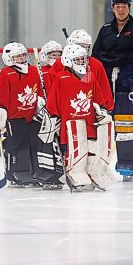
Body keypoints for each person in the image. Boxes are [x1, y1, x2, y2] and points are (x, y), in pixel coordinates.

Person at [91, 0, 133, 181]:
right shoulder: (105, 29)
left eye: (124, 6)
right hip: (106, 82)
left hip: (129, 81)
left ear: (129, 7)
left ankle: (130, 164)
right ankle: (98, 165)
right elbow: (95, 56)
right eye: (117, 6)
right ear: (112, 8)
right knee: (103, 123)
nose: (120, 9)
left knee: (127, 123)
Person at [0, 42, 61, 187]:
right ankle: (16, 174)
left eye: (22, 55)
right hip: (15, 119)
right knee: (16, 146)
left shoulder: (34, 71)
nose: (21, 58)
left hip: (32, 117)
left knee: (34, 145)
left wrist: (42, 104)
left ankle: (35, 173)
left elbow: (40, 91)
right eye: (17, 56)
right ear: (9, 58)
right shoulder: (6, 73)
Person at [45, 44, 114, 192]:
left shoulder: (90, 76)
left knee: (92, 148)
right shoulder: (61, 78)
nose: (83, 62)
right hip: (70, 124)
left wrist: (101, 110)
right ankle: (75, 172)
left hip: (89, 122)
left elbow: (98, 99)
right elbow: (53, 102)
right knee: (76, 149)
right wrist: (53, 117)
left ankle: (93, 172)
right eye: (78, 59)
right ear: (69, 61)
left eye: (84, 59)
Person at [49, 29, 114, 112]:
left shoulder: (96, 64)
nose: (85, 50)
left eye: (87, 47)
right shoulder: (60, 63)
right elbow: (52, 89)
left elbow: (104, 90)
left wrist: (106, 109)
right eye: (81, 46)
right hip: (66, 111)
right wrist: (54, 112)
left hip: (89, 111)